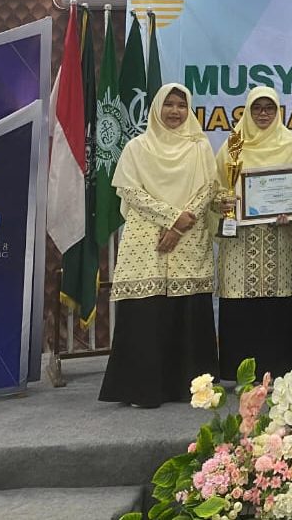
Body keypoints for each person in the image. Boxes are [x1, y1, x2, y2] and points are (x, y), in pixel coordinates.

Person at [100, 83, 219, 407]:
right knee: (146, 310)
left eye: (182, 105)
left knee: (187, 308)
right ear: (156, 108)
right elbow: (130, 191)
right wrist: (172, 217)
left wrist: (180, 225)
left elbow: (209, 188)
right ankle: (143, 389)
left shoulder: (199, 148)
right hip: (147, 236)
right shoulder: (137, 148)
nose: (175, 111)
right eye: (169, 104)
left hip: (189, 236)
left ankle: (188, 388)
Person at [213, 86, 292, 380]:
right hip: (240, 244)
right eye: (257, 108)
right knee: (242, 307)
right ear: (247, 111)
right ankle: (238, 372)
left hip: (280, 242)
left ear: (278, 111)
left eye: (269, 108)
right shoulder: (232, 145)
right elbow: (214, 189)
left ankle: (280, 370)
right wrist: (224, 202)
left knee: (278, 307)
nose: (263, 114)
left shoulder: (291, 145)